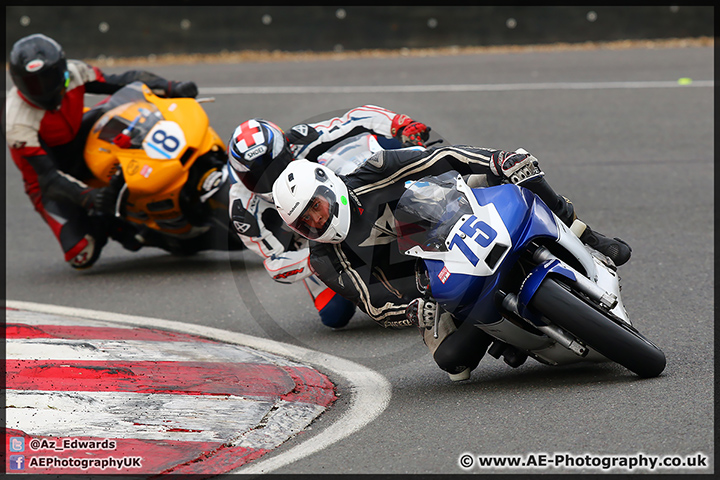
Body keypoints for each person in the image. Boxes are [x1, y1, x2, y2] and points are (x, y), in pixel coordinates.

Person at [272, 145, 632, 380]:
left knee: (520, 170)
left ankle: (586, 236)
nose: (316, 223)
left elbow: (442, 157)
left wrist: (494, 160)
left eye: (315, 209)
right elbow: (371, 301)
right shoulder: (323, 258)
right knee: (452, 364)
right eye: (304, 223)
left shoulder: (376, 169)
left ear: (327, 185)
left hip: (458, 220)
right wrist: (413, 309)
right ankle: (508, 337)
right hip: (433, 281)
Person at [5, 33, 199, 269]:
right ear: (19, 83)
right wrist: (88, 198)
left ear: (62, 70)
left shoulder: (76, 72)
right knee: (81, 253)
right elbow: (48, 177)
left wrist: (170, 86)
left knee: (129, 115)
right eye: (34, 83)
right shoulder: (16, 121)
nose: (44, 89)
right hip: (48, 177)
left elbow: (123, 81)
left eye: (49, 78)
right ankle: (122, 228)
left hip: (80, 137)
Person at [226, 106, 430, 328]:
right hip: (311, 241)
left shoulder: (303, 139)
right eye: (255, 177)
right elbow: (275, 265)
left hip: (337, 201)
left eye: (273, 167)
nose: (270, 181)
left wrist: (400, 125)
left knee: (388, 148)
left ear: (287, 150)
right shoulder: (243, 210)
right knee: (335, 315)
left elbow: (355, 119)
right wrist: (323, 257)